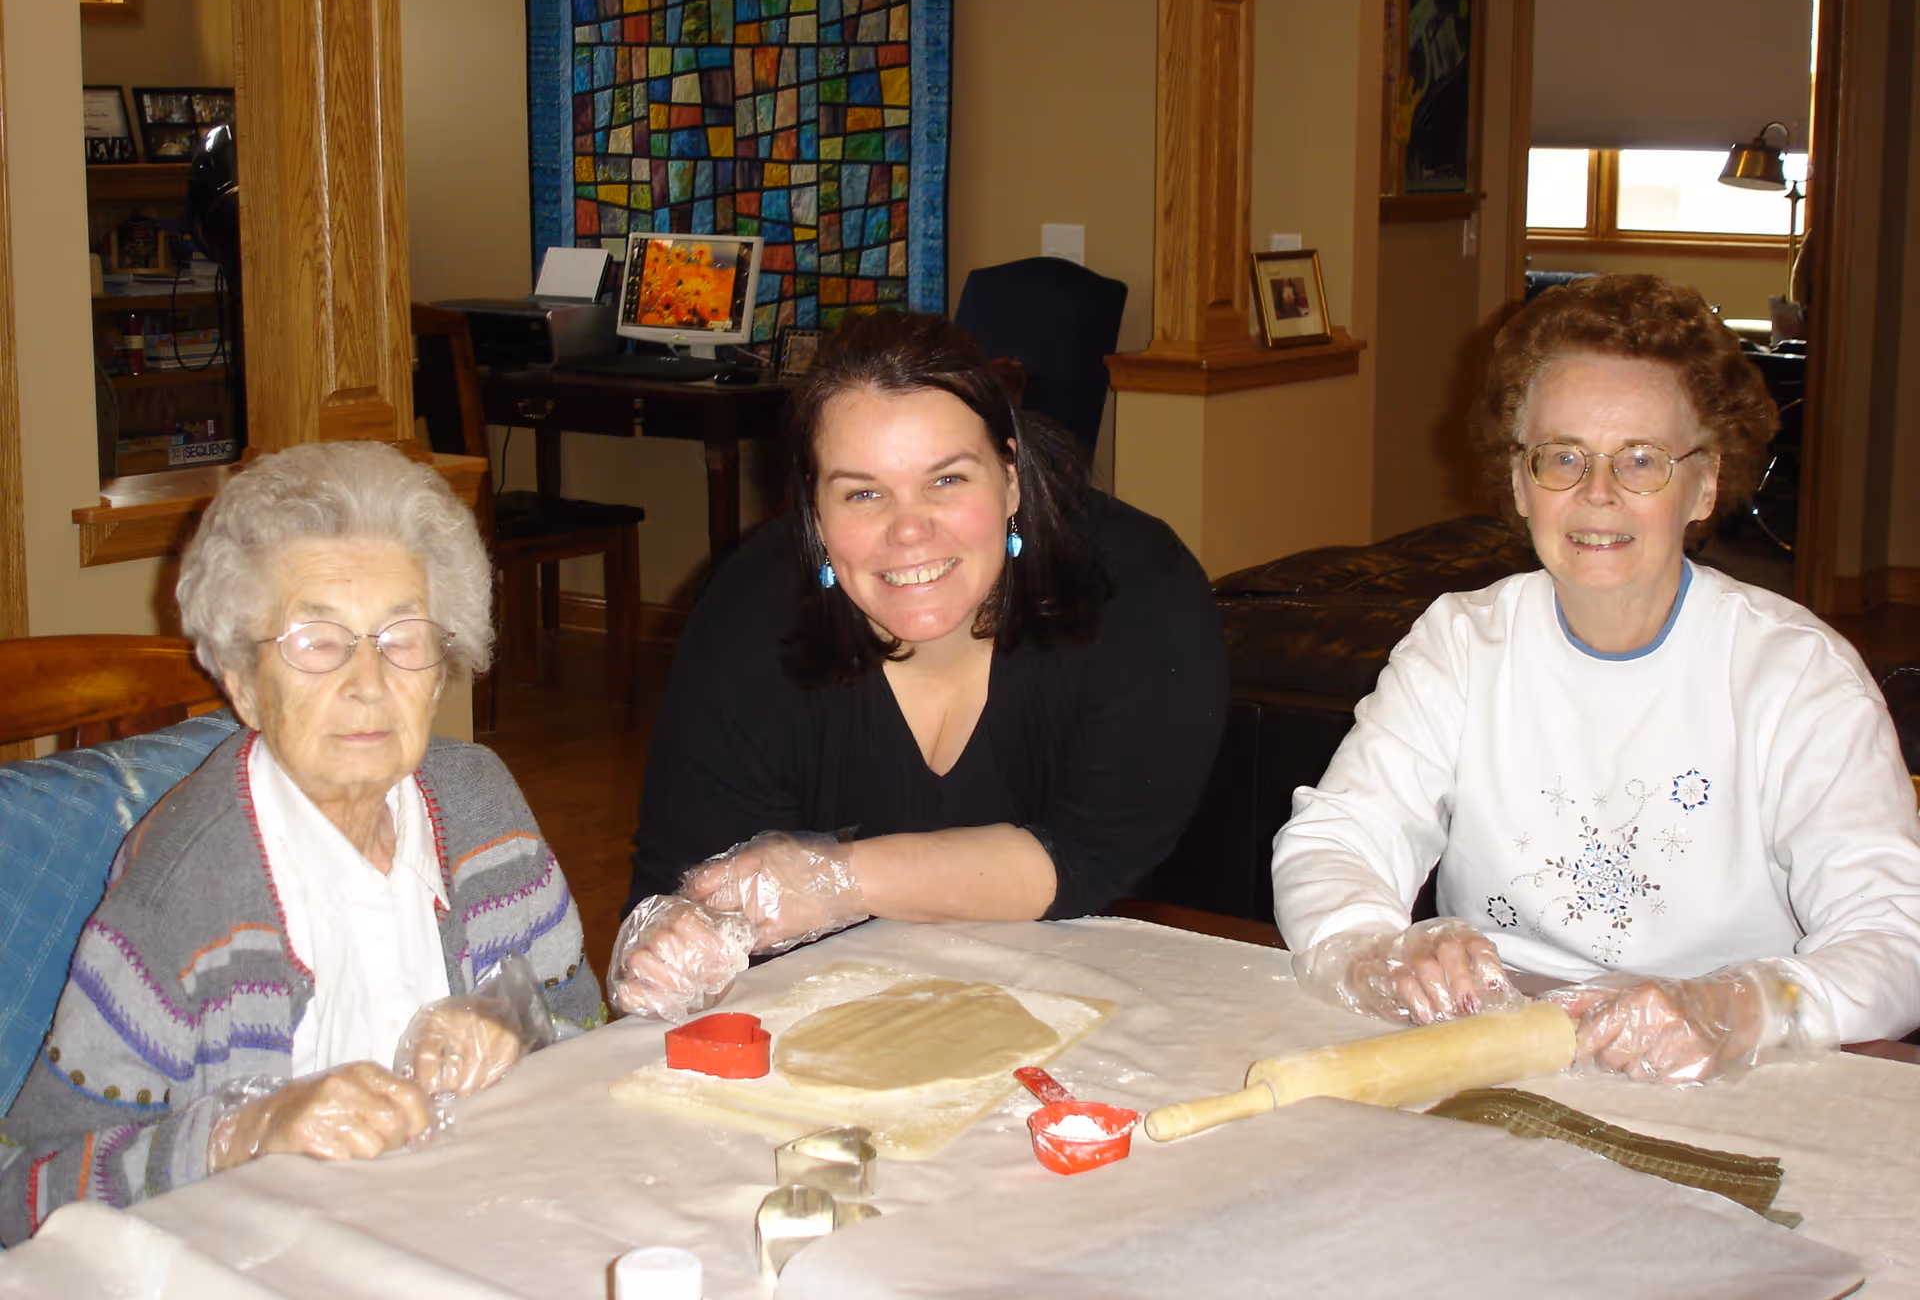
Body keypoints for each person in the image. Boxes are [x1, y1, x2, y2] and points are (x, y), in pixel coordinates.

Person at [1273, 274, 1920, 1083]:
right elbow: (1338, 840)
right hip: (1500, 1055)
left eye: (1642, 459)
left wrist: (1736, 1009)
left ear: (1706, 483)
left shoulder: (1796, 674)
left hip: (1728, 1078)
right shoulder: (1462, 643)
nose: (1598, 493)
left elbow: (1896, 936)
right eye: (1563, 457)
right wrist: (1377, 949)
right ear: (1519, 481)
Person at [0, 443, 601, 1242]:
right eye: (317, 643)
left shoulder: (481, 803)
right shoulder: (188, 886)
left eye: (401, 638)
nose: (367, 681)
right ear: (244, 685)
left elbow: (590, 1039)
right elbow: (22, 1192)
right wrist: (242, 1134)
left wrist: (520, 1034)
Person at [612, 311, 1229, 1020]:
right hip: (841, 1025)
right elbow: (678, 881)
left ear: (1011, 477)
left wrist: (837, 880)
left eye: (946, 480)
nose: (909, 530)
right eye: (863, 493)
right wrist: (673, 947)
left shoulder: (1138, 591)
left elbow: (1090, 858)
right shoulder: (750, 619)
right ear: (813, 513)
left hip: (1122, 1007)